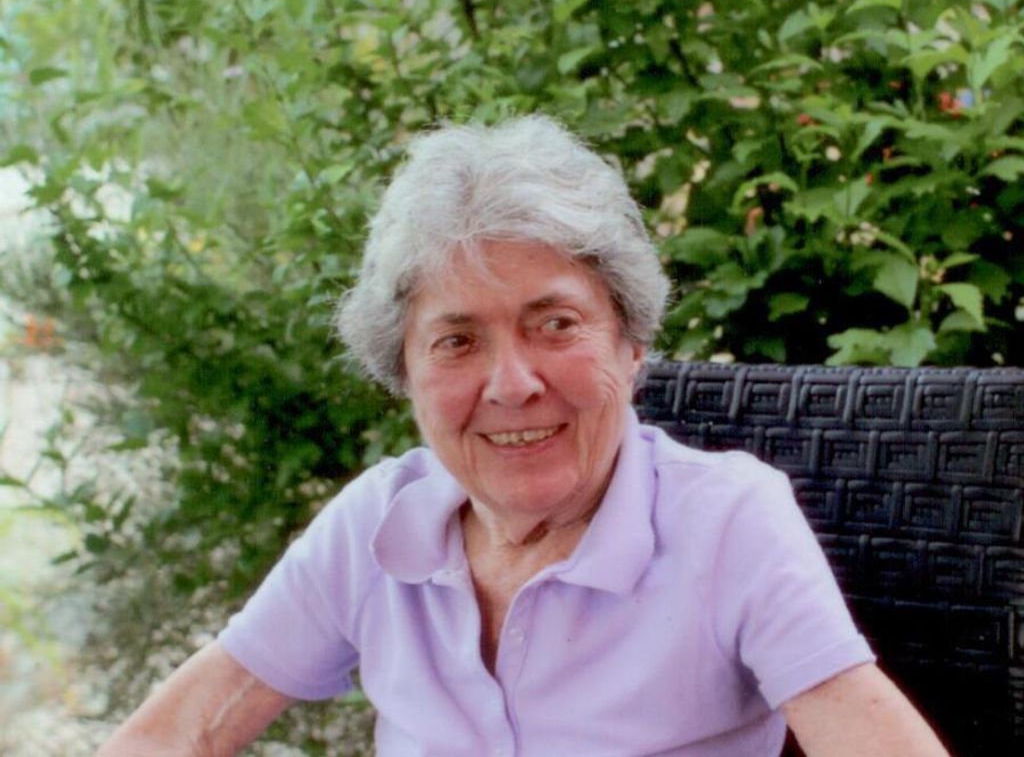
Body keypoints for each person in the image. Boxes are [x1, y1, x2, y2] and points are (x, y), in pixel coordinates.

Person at [97, 116, 948, 756]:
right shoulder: (376, 527)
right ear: (405, 374)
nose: (512, 383)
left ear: (631, 343)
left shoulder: (728, 522)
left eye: (555, 324)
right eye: (457, 341)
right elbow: (178, 732)